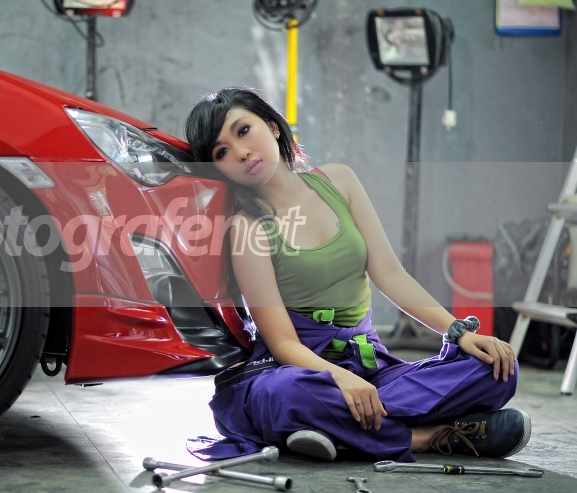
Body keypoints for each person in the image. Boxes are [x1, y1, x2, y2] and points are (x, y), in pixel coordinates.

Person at [184, 88, 529, 463]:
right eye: (221, 152)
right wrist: (338, 378)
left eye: (243, 130)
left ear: (273, 126)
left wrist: (459, 332)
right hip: (300, 368)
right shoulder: (246, 228)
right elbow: (282, 343)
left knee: (496, 367)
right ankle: (429, 436)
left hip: (369, 366)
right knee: (288, 395)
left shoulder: (339, 181)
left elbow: (391, 274)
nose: (240, 152)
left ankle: (340, 428)